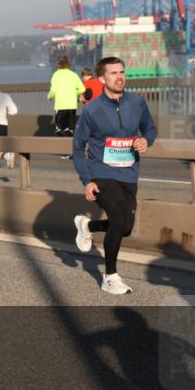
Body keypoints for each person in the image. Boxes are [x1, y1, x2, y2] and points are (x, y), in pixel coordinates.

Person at [72, 57, 156, 295]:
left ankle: (87, 225)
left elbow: (150, 128)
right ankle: (110, 277)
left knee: (125, 227)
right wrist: (87, 180)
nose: (120, 77)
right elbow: (77, 148)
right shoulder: (92, 110)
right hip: (102, 173)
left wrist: (145, 140)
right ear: (102, 79)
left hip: (129, 174)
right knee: (118, 219)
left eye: (122, 72)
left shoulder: (137, 103)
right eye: (113, 73)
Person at [48, 55, 85, 158]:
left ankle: (69, 150)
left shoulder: (56, 75)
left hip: (61, 105)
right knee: (69, 129)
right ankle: (72, 151)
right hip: (72, 106)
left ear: (58, 64)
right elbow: (82, 89)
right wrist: (73, 93)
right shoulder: (73, 74)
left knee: (59, 129)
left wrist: (49, 96)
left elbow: (53, 91)